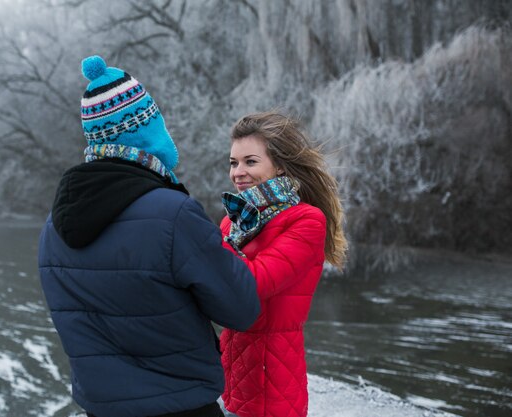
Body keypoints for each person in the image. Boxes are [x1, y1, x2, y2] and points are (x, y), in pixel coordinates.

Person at [37, 55, 260, 417]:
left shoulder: (53, 227)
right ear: (147, 130)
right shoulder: (172, 214)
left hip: (101, 408)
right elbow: (241, 308)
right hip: (181, 405)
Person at [218, 111, 348, 417]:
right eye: (233, 162)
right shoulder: (232, 222)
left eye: (250, 161)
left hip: (271, 382)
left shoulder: (306, 220)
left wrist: (202, 249)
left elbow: (253, 284)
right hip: (227, 378)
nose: (238, 172)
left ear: (279, 166)